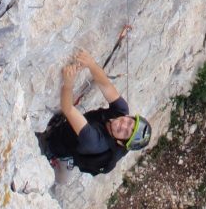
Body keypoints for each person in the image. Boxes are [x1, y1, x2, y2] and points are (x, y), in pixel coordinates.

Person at [37, 48, 151, 179]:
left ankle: (53, 161)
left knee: (58, 176)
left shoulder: (95, 142)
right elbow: (105, 84)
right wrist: (91, 64)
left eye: (126, 133)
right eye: (130, 122)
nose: (124, 125)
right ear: (130, 117)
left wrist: (68, 84)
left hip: (55, 145)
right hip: (71, 132)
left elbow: (68, 109)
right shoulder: (122, 111)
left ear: (120, 143)